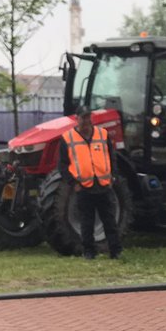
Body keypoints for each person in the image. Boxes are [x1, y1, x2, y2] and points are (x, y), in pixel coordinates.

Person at [57, 109, 123, 259]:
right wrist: (73, 183)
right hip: (84, 187)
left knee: (110, 220)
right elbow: (62, 165)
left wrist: (113, 177)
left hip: (103, 185)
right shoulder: (67, 138)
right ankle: (89, 251)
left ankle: (115, 250)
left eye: (89, 118)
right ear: (77, 119)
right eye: (83, 118)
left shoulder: (102, 134)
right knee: (87, 222)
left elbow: (111, 157)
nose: (86, 121)